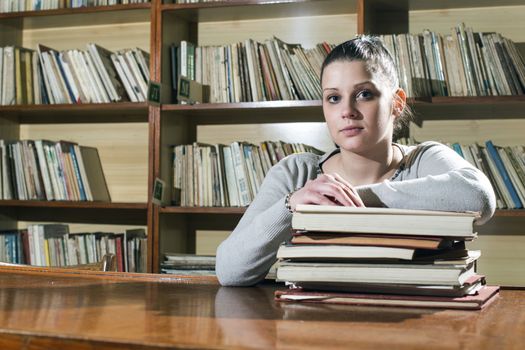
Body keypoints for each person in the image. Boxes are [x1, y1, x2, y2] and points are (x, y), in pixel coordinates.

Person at [216, 35, 496, 287]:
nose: (347, 111)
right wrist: (292, 207)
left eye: (364, 94)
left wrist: (341, 202)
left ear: (397, 102)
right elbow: (229, 271)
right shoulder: (296, 174)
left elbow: (479, 196)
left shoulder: (423, 160)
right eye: (334, 98)